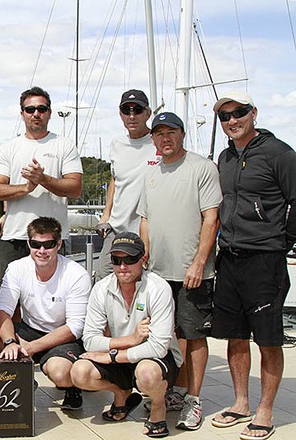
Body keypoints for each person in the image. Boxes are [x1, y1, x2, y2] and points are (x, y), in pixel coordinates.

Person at [210, 91, 296, 440]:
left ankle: (265, 410)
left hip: (265, 259)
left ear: (253, 113)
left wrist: (281, 243)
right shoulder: (225, 157)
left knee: (268, 339)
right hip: (229, 257)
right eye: (225, 117)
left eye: (239, 113)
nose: (232, 121)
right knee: (234, 336)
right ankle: (241, 402)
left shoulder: (280, 154)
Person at [137, 111, 222, 431]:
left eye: (171, 132)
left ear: (182, 134)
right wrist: (144, 253)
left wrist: (200, 263)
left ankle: (194, 399)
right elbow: (145, 219)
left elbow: (211, 219)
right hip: (158, 273)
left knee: (194, 336)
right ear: (154, 139)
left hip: (192, 272)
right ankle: (171, 391)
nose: (165, 138)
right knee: (167, 336)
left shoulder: (202, 168)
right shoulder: (151, 173)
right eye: (159, 134)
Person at [71, 232, 181, 439]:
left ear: (143, 259)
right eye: (116, 260)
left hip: (156, 359)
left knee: (147, 374)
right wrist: (129, 340)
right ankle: (121, 392)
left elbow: (158, 347)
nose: (123, 267)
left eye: (130, 260)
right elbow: (90, 339)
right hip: (122, 353)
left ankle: (158, 406)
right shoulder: (101, 288)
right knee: (79, 372)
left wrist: (112, 356)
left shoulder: (158, 288)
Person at [0, 216, 91, 410]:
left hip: (63, 336)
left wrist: (31, 348)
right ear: (28, 244)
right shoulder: (16, 268)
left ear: (58, 245)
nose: (41, 251)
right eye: (35, 244)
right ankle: (22, 379)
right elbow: (3, 311)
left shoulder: (76, 274)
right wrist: (10, 342)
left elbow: (75, 327)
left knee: (60, 374)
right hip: (30, 329)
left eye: (48, 244)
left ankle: (72, 387)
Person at [0, 86, 83, 281]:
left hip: (51, 240)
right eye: (30, 110)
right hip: (14, 238)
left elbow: (75, 189)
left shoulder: (65, 145)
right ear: (22, 114)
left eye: (42, 109)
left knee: (53, 299)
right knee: (11, 302)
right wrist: (26, 188)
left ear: (49, 113)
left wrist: (43, 179)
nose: (36, 114)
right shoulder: (8, 148)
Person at [94, 89, 161, 282]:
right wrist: (106, 214)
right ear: (120, 113)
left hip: (149, 231)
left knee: (147, 283)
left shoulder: (158, 142)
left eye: (137, 110)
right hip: (117, 229)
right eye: (126, 110)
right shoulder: (116, 144)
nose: (132, 116)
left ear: (148, 113)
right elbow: (115, 178)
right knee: (103, 278)